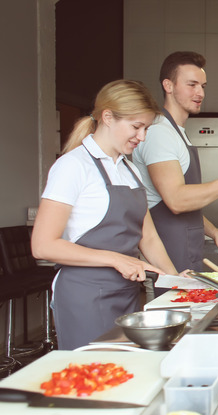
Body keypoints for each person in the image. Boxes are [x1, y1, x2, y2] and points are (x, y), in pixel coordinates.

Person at [30, 80, 181, 350]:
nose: (142, 137)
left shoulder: (129, 170)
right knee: (94, 381)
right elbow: (43, 246)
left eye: (146, 128)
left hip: (126, 294)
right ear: (108, 117)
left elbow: (148, 237)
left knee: (125, 377)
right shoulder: (72, 166)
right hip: (85, 295)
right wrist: (117, 260)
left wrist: (177, 282)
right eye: (136, 127)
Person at [133, 51, 218, 278]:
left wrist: (214, 233)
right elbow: (177, 200)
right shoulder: (159, 133)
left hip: (185, 248)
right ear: (168, 85)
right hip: (167, 253)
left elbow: (190, 203)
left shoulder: (177, 133)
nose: (200, 93)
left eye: (203, 86)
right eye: (192, 85)